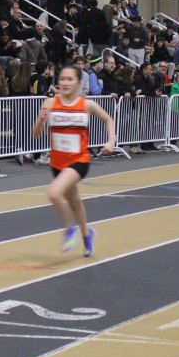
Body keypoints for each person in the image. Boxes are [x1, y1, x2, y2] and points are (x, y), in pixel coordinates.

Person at [32, 64, 116, 256]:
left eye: (70, 79)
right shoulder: (50, 103)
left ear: (78, 83)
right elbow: (35, 134)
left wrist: (111, 141)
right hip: (57, 162)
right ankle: (87, 235)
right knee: (74, 201)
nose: (65, 83)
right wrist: (41, 120)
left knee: (54, 193)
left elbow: (108, 119)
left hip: (79, 160)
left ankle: (69, 228)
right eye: (62, 79)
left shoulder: (86, 104)